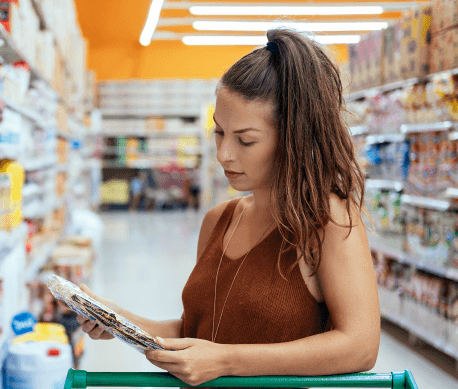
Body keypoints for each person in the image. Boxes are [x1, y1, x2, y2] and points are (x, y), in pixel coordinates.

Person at [75, 29, 380, 386]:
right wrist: (118, 320)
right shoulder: (218, 220)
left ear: (293, 137)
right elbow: (198, 332)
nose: (224, 155)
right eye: (219, 133)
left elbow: (360, 346)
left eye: (245, 140)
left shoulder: (326, 221)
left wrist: (226, 361)